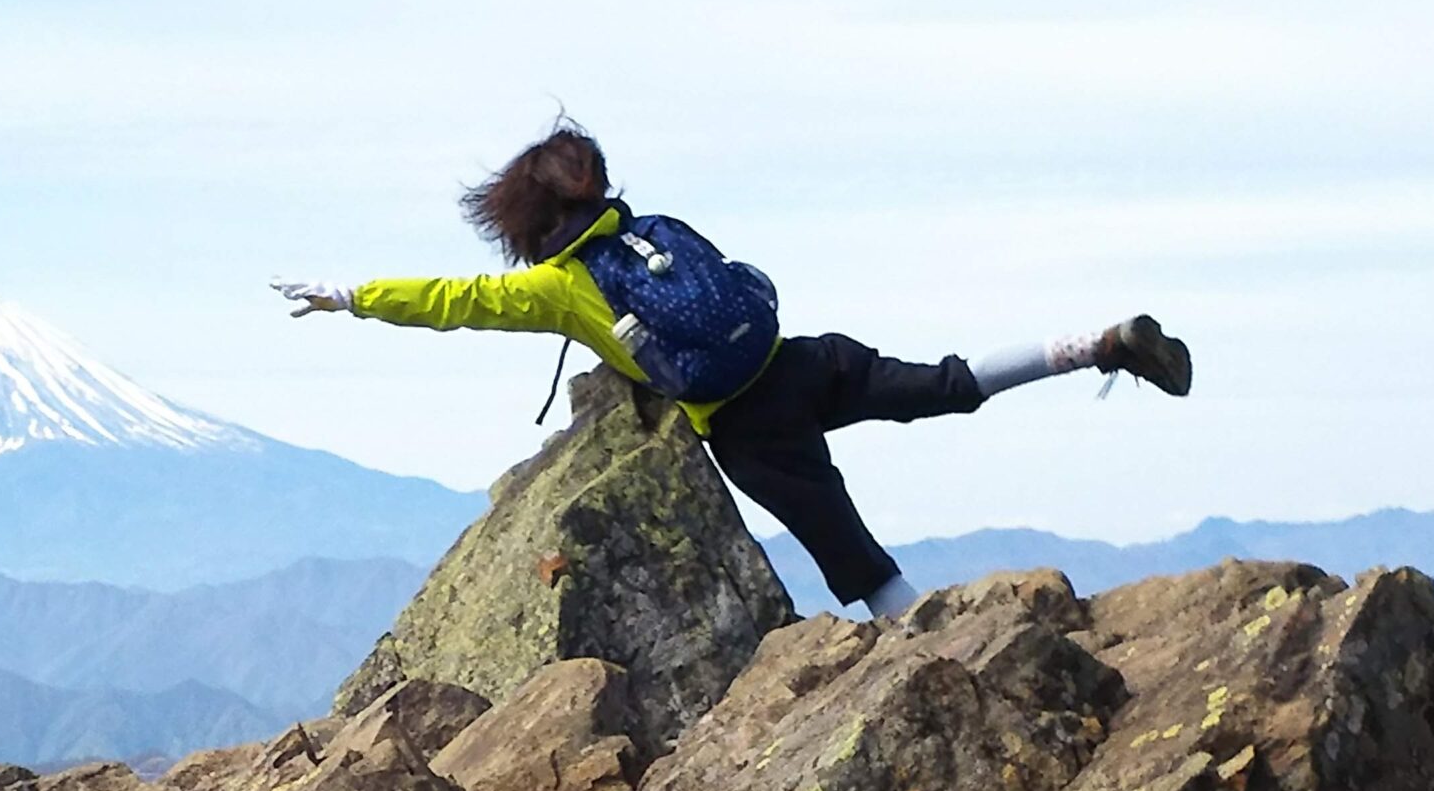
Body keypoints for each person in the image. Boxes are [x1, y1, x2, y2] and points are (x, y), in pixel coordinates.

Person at [270, 121, 1192, 621]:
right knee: (943, 384)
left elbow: (452, 298)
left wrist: (351, 296)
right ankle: (1093, 347)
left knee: (850, 553)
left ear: (524, 221)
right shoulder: (651, 230)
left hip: (746, 426)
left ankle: (924, 652)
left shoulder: (558, 288)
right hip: (800, 360)